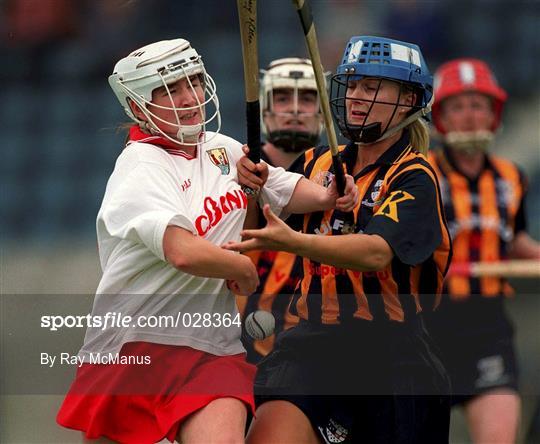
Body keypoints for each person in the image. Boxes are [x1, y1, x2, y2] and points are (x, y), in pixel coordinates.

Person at [55, 38, 358, 443]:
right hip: (136, 345)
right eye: (170, 90)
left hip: (212, 345)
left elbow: (283, 186)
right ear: (139, 105)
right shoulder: (139, 168)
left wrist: (328, 193)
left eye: (193, 82)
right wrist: (241, 269)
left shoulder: (220, 148)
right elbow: (181, 251)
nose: (189, 97)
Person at [227, 35, 452, 443]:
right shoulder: (316, 162)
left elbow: (375, 253)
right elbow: (256, 227)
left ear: (408, 100)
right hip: (311, 345)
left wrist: (292, 242)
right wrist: (253, 188)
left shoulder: (415, 176)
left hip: (394, 357)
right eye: (352, 85)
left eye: (371, 86)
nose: (355, 97)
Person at [426, 58, 540, 444]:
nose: (470, 117)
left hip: (487, 328)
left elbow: (516, 241)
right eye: (458, 106)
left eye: (479, 106)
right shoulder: (419, 174)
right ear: (440, 116)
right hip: (426, 328)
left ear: (494, 114)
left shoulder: (511, 177)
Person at [238, 57, 324, 364]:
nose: (296, 109)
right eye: (284, 98)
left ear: (323, 113)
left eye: (309, 99)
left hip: (317, 349)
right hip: (237, 345)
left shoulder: (343, 177)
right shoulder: (233, 167)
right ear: (264, 110)